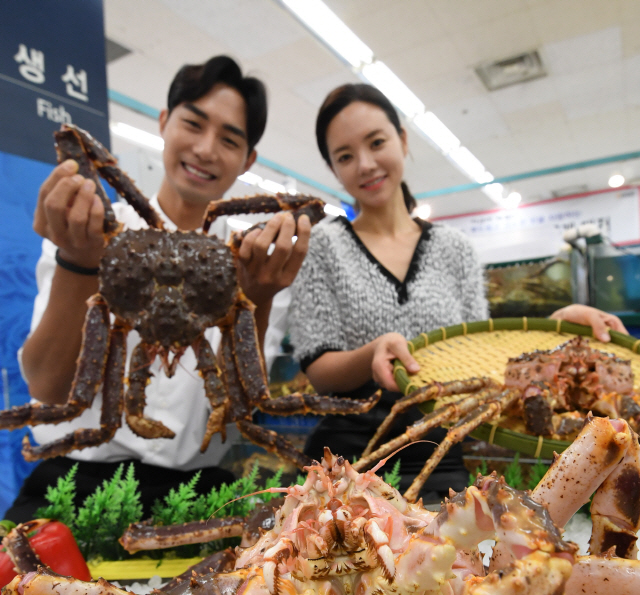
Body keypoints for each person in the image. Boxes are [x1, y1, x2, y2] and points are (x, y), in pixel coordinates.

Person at [6, 55, 312, 523]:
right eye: (193, 123)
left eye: (229, 139)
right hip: (70, 484)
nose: (207, 149)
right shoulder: (94, 231)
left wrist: (259, 299)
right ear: (165, 122)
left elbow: (236, 418)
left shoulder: (251, 260)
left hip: (194, 493)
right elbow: (47, 388)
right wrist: (78, 263)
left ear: (248, 159)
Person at [288, 83, 627, 500]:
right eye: (345, 156)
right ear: (333, 169)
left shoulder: (454, 248)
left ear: (403, 139)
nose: (366, 164)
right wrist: (371, 352)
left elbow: (484, 359)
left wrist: (554, 331)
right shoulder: (322, 245)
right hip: (347, 455)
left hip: (439, 449)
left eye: (377, 142)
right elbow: (317, 369)